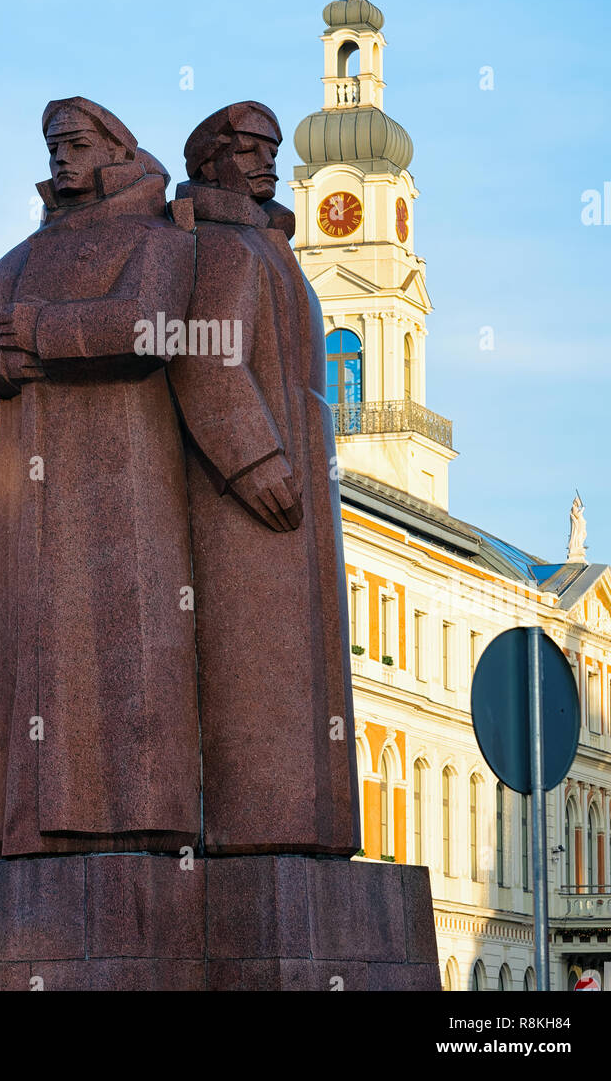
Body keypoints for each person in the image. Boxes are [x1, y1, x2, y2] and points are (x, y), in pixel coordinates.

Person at [0, 97, 201, 856]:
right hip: (31, 478)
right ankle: (32, 826)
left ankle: (135, 815)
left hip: (128, 470)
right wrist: (12, 357)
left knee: (130, 632)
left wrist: (36, 330)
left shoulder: (155, 236)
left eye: (76, 143)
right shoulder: (26, 252)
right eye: (53, 144)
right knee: (36, 644)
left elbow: (150, 325)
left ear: (115, 151)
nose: (61, 157)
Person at [167, 101, 360, 854]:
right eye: (248, 148)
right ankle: (263, 830)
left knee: (297, 667)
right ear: (210, 161)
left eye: (271, 149)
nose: (266, 162)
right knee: (260, 664)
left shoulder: (265, 245)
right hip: (249, 499)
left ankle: (304, 832)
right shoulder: (222, 247)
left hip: (296, 483)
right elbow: (206, 358)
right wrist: (254, 459)